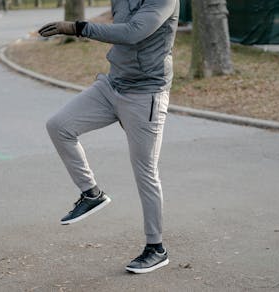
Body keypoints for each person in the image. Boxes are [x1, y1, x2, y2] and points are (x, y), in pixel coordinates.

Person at [39, 0, 179, 274]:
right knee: (59, 126)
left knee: (145, 172)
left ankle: (156, 248)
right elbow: (119, 31)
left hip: (146, 93)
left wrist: (76, 28)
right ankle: (91, 194)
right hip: (112, 85)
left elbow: (133, 32)